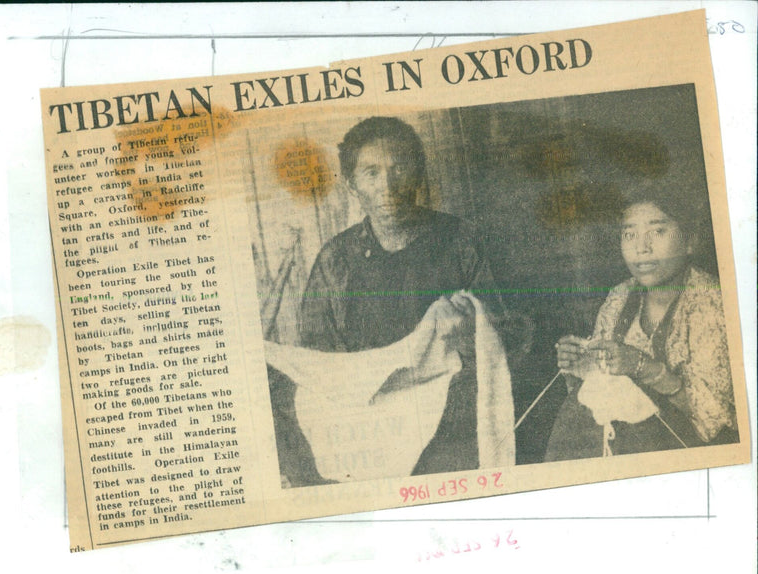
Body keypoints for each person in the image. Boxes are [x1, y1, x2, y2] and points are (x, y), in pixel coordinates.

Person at [271, 116, 511, 485]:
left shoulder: (460, 240)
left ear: (418, 175)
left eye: (399, 169)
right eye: (371, 173)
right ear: (352, 185)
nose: (388, 186)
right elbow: (320, 358)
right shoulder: (336, 258)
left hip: (443, 405)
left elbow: (507, 337)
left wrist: (470, 332)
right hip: (364, 406)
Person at [549, 184, 738, 458]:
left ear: (690, 241)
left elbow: (716, 421)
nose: (641, 248)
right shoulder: (620, 297)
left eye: (657, 231)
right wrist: (584, 366)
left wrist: (644, 368)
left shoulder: (713, 303)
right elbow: (604, 395)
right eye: (629, 234)